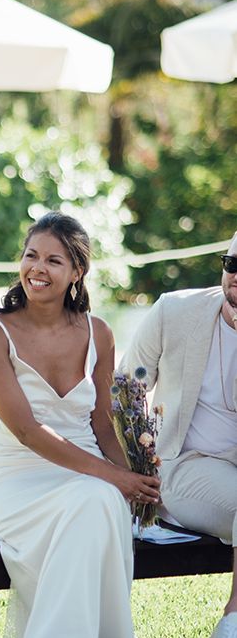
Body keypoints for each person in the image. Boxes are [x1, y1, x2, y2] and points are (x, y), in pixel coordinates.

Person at [0, 211, 160, 638]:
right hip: (16, 478)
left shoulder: (99, 333)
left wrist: (135, 477)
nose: (37, 269)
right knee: (98, 498)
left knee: (100, 502)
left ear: (77, 271)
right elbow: (27, 431)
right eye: (31, 255)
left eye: (54, 261)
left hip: (88, 474)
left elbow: (103, 424)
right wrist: (115, 478)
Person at [119, 231, 237, 638]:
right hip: (180, 465)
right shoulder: (175, 311)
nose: (236, 275)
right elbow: (125, 389)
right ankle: (233, 619)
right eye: (232, 264)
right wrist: (135, 467)